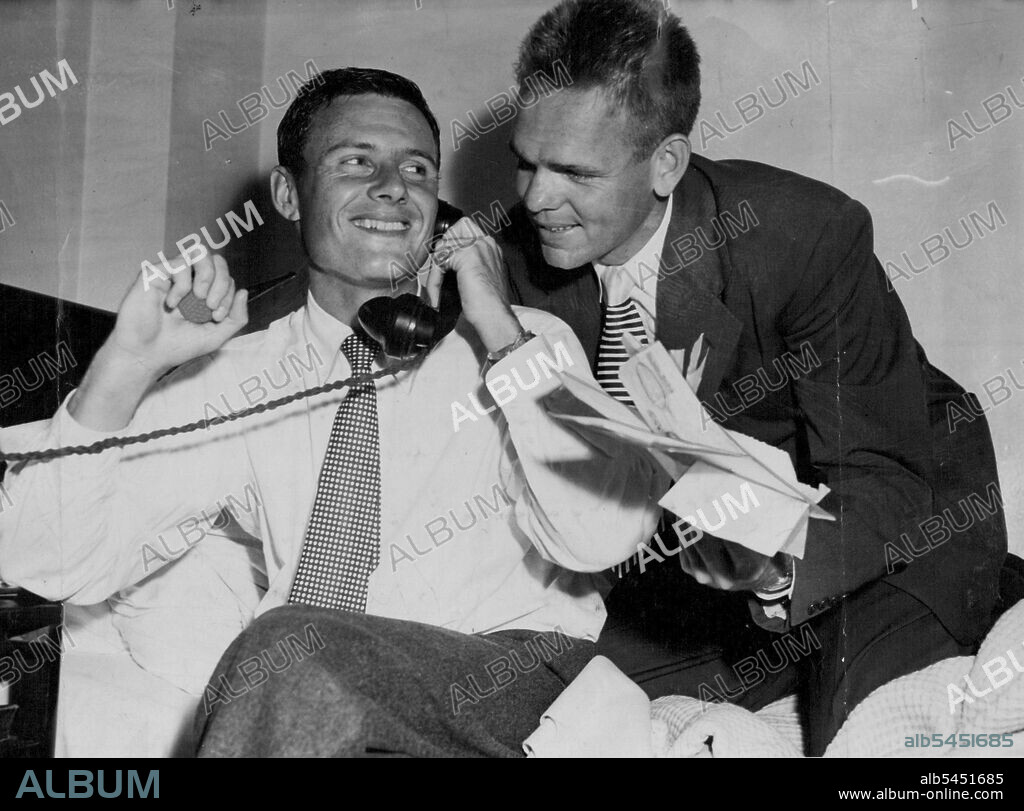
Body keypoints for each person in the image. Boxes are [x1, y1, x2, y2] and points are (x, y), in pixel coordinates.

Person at [0, 67, 666, 757]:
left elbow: (604, 535)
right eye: (356, 162)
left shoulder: (525, 345)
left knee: (286, 651)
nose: (394, 186)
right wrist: (124, 368)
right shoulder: (240, 375)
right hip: (323, 701)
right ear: (289, 194)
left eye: (417, 168)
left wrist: (498, 327)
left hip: (512, 680)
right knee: (286, 660)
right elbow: (46, 562)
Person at [500, 0, 1007, 755]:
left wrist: (776, 565)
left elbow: (883, 471)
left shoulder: (805, 234)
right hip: (704, 561)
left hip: (891, 515)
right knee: (547, 707)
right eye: (526, 161)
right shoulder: (516, 251)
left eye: (574, 172)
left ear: (666, 163)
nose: (536, 199)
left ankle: (990, 586)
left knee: (859, 730)